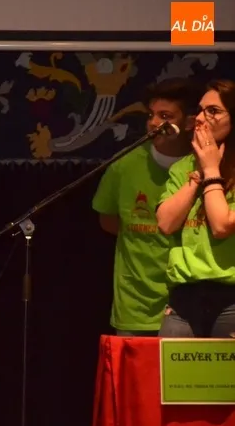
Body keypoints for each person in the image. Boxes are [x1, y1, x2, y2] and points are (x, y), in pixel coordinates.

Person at [91, 78, 200, 336]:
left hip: (192, 308)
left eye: (165, 116)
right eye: (151, 115)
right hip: (135, 309)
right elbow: (108, 221)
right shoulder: (123, 167)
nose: (154, 123)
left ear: (189, 123)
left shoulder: (206, 166)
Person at [155, 79, 235, 337]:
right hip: (184, 298)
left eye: (213, 111)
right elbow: (166, 223)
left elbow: (222, 225)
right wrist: (199, 174)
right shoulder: (183, 167)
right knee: (172, 364)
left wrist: (212, 170)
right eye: (200, 110)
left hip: (231, 299)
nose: (201, 118)